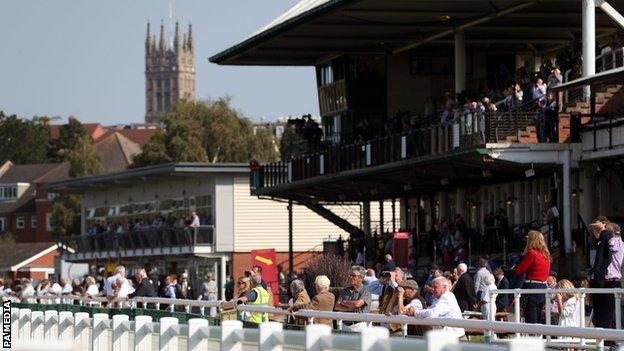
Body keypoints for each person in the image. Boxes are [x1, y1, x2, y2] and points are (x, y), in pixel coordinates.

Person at [589, 218, 623, 329]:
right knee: (599, 320)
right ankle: (603, 345)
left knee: (607, 319)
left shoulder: (615, 241)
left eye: (599, 229)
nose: (597, 231)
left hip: (610, 283)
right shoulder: (605, 243)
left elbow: (609, 240)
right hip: (602, 282)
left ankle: (612, 344)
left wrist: (603, 229)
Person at [514, 230, 551, 324]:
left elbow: (519, 270)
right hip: (543, 288)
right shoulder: (546, 255)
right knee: (538, 320)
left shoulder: (532, 253)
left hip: (531, 288)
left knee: (531, 321)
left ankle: (532, 338)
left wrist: (523, 255)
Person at [333, 266, 372, 332]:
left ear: (361, 278)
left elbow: (357, 304)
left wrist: (344, 302)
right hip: (344, 325)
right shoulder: (345, 290)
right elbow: (337, 306)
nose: (351, 277)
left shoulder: (366, 291)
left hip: (359, 326)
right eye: (350, 275)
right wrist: (350, 308)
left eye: (353, 275)